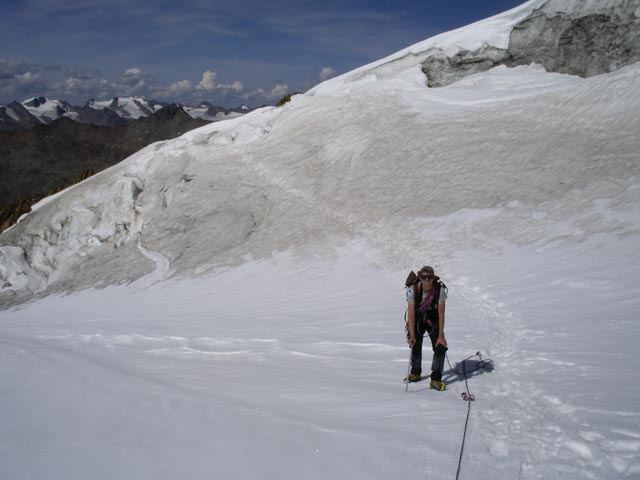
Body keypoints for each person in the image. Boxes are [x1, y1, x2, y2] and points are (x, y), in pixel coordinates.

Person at [405, 265, 448, 390]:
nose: (427, 280)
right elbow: (411, 312)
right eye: (424, 277)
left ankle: (436, 378)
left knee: (440, 346)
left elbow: (441, 313)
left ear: (433, 278)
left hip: (433, 318)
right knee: (415, 343)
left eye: (429, 277)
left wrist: (441, 336)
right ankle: (415, 372)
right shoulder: (413, 289)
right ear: (420, 277)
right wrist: (411, 334)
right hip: (417, 318)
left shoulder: (440, 290)